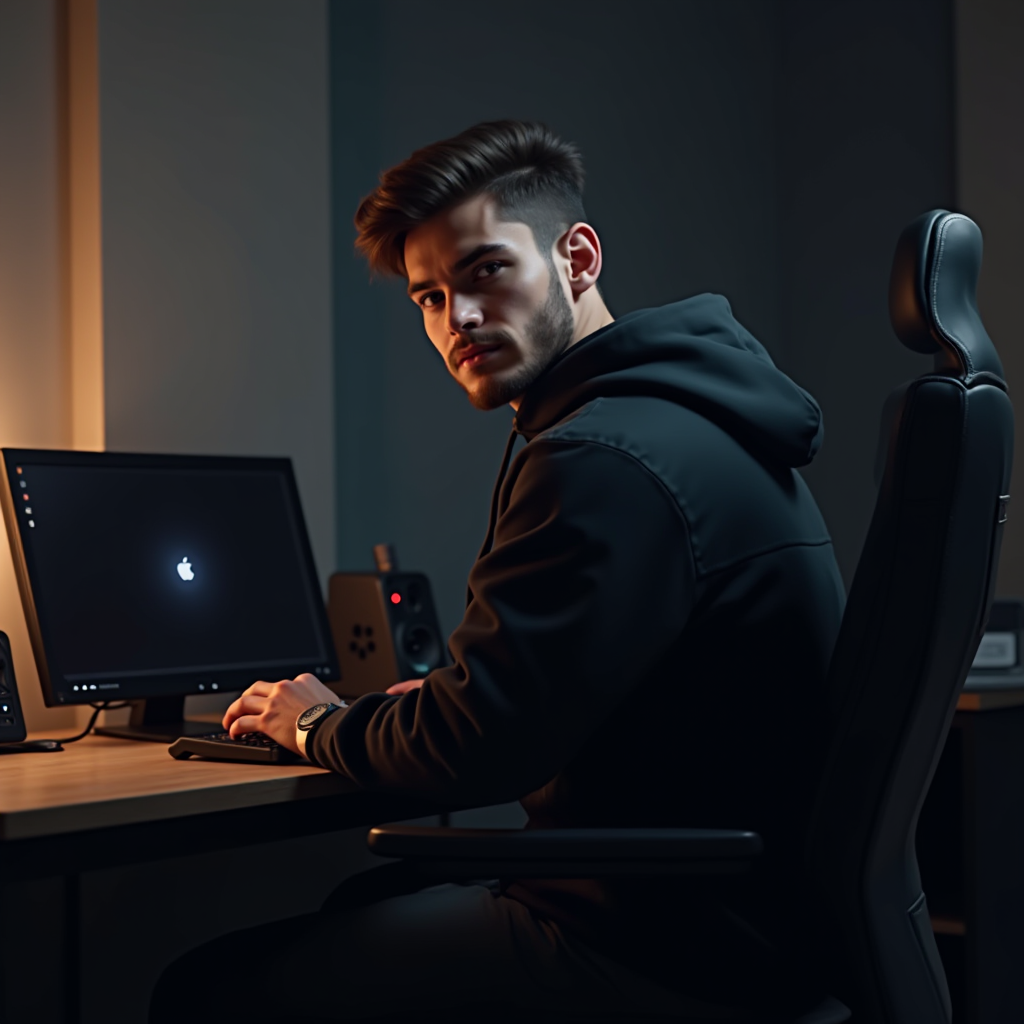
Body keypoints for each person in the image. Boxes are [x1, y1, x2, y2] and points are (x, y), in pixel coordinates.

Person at [150, 120, 845, 1023]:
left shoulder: (599, 456)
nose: (460, 320)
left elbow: (475, 751)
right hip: (749, 921)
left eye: (485, 272)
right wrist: (428, 705)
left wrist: (320, 723)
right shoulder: (688, 418)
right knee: (359, 910)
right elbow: (556, 697)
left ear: (577, 257)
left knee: (206, 992)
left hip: (661, 941)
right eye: (429, 298)